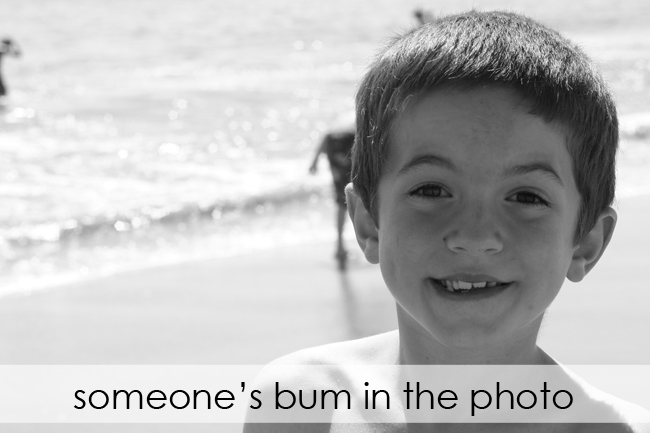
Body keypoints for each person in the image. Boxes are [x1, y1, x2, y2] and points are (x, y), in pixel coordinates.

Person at [245, 10, 650, 432]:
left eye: (526, 197)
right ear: (368, 222)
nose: (474, 237)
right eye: (431, 190)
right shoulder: (302, 404)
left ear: (585, 243)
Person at [309, 126, 355, 269]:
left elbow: (328, 136)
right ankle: (372, 242)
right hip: (351, 140)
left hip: (335, 140)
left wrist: (315, 161)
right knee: (360, 194)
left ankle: (340, 246)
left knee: (342, 199)